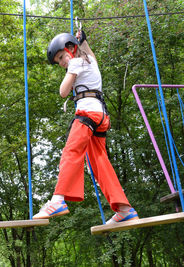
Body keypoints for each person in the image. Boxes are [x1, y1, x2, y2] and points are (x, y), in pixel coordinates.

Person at [33, 31, 139, 224]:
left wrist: (69, 72)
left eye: (61, 57)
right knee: (100, 162)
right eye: (59, 61)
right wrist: (84, 41)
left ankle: (58, 200)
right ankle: (124, 209)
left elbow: (63, 92)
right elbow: (89, 53)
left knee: (71, 152)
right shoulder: (90, 60)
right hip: (101, 116)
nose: (62, 63)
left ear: (71, 49)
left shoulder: (75, 62)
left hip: (87, 114)